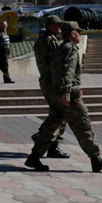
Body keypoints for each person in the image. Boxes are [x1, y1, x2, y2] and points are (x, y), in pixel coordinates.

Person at [24, 21, 102, 173]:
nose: (80, 35)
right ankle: (96, 159)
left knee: (51, 126)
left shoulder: (61, 48)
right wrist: (67, 92)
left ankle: (34, 157)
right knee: (83, 125)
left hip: (56, 93)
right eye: (79, 32)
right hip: (69, 96)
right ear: (73, 34)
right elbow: (67, 72)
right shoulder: (70, 49)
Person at [29, 15, 70, 159]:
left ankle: (47, 140)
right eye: (57, 25)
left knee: (56, 113)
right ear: (50, 26)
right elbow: (58, 61)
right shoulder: (51, 41)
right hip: (53, 81)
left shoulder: (40, 40)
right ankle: (50, 143)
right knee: (61, 114)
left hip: (46, 80)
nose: (60, 27)